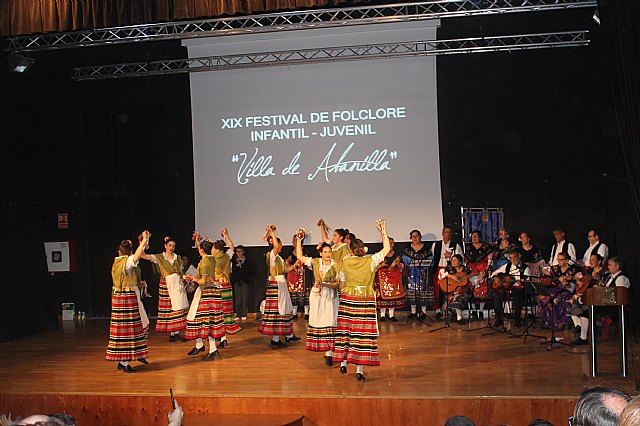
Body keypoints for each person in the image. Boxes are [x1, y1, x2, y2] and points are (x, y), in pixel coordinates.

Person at [333, 219, 390, 381]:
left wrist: (345, 290)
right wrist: (383, 231)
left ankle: (343, 362)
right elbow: (386, 248)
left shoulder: (346, 261)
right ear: (363, 249)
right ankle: (359, 370)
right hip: (364, 300)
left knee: (346, 331)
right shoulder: (370, 261)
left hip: (348, 297)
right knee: (361, 334)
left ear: (351, 250)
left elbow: (341, 281)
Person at [106, 231, 150, 373]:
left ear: (119, 251)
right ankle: (124, 362)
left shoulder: (118, 262)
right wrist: (144, 241)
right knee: (127, 331)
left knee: (131, 329)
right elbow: (136, 257)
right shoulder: (126, 262)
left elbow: (136, 258)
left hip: (123, 297)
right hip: (126, 299)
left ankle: (133, 356)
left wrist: (143, 243)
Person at [295, 235, 339, 366]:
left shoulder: (336, 265)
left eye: (330, 251)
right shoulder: (315, 262)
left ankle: (329, 353)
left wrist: (325, 284)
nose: (328, 254)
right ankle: (326, 350)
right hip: (317, 296)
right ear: (320, 253)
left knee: (330, 321)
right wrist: (298, 240)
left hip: (330, 295)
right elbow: (299, 256)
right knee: (319, 321)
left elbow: (337, 284)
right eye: (325, 252)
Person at [183, 238, 225, 360]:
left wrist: (192, 278)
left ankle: (213, 349)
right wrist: (198, 240)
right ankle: (200, 344)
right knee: (199, 319)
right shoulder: (210, 258)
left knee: (206, 322)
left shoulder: (206, 262)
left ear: (201, 250)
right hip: (207, 293)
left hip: (207, 293)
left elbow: (203, 281)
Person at [141, 236, 189, 342]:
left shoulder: (178, 258)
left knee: (177, 308)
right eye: (170, 245)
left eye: (173, 246)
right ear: (165, 246)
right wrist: (143, 243)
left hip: (177, 284)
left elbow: (181, 273)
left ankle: (175, 333)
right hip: (166, 284)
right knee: (169, 309)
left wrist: (186, 278)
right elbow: (142, 255)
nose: (172, 248)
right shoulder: (160, 257)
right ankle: (173, 334)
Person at [258, 225, 299, 346]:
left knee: (284, 309)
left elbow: (285, 270)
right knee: (278, 311)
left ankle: (288, 335)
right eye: (279, 243)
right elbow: (275, 246)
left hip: (281, 285)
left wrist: (295, 264)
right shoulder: (272, 255)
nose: (280, 246)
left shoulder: (279, 258)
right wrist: (273, 233)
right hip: (276, 286)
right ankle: (276, 339)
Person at [568, 253, 607, 346]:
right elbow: (583, 285)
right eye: (590, 259)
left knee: (584, 308)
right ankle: (579, 327)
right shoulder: (589, 271)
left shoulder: (603, 272)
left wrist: (599, 281)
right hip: (587, 297)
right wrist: (577, 280)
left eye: (593, 259)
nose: (590, 261)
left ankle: (582, 335)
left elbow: (604, 286)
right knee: (571, 303)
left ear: (599, 261)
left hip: (599, 298)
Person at [489, 251, 530, 328]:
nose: (513, 260)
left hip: (518, 289)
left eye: (514, 257)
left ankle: (517, 320)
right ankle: (499, 319)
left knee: (518, 296)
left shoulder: (525, 268)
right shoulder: (507, 266)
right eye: (511, 258)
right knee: (497, 296)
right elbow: (494, 273)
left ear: (519, 256)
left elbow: (525, 281)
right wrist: (495, 277)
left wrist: (515, 281)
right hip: (506, 289)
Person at [540, 252, 579, 331]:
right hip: (555, 288)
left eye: (561, 260)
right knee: (543, 295)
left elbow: (573, 281)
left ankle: (559, 323)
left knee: (555, 299)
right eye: (558, 259)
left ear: (567, 260)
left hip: (567, 290)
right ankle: (548, 321)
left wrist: (569, 280)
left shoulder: (573, 269)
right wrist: (545, 272)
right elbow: (546, 272)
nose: (559, 261)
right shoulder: (555, 268)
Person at [212, 231, 240, 342]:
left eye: (213, 248)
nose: (211, 250)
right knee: (226, 312)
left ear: (216, 249)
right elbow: (232, 247)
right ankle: (223, 337)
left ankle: (221, 336)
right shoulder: (226, 256)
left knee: (218, 313)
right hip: (227, 285)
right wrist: (227, 235)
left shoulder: (213, 259)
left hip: (218, 286)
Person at [402, 229, 435, 320]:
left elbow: (431, 260)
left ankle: (423, 312)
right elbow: (404, 260)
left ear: (420, 237)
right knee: (412, 292)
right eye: (413, 236)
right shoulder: (407, 249)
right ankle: (413, 312)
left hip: (423, 274)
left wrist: (424, 264)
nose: (415, 238)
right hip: (411, 275)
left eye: (417, 236)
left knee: (423, 291)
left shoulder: (426, 249)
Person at [431, 226, 463, 318]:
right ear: (442, 233)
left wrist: (451, 255)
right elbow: (432, 258)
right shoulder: (435, 245)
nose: (447, 234)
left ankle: (450, 310)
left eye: (449, 232)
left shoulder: (455, 245)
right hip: (438, 269)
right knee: (437, 290)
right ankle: (438, 310)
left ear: (451, 234)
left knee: (450, 289)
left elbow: (461, 258)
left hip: (451, 270)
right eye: (445, 232)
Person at [464, 230, 493, 319]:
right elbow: (466, 260)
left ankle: (480, 311)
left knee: (482, 290)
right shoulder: (468, 248)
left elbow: (489, 259)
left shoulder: (486, 247)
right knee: (470, 289)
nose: (474, 238)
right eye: (472, 236)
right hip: (471, 271)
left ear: (479, 237)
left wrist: (486, 270)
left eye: (476, 236)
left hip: (482, 270)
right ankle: (473, 311)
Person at [374, 237, 405, 321]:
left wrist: (399, 265)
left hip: (394, 277)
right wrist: (381, 265)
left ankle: (391, 315)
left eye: (392, 243)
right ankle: (382, 315)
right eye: (389, 243)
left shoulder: (397, 255)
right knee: (382, 297)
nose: (391, 245)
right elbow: (374, 267)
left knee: (393, 296)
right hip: (383, 278)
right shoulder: (380, 254)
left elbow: (402, 266)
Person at [438, 254, 471, 324]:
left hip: (463, 289)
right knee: (455, 293)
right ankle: (456, 316)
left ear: (460, 262)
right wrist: (451, 276)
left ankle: (458, 316)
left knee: (458, 293)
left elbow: (472, 278)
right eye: (452, 260)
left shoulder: (466, 270)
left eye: (455, 260)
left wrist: (480, 276)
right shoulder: (449, 268)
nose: (453, 262)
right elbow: (440, 275)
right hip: (451, 288)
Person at [230, 245, 254, 321]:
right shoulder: (233, 261)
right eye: (237, 251)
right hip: (236, 281)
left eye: (240, 251)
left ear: (243, 252)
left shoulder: (247, 261)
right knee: (237, 299)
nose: (239, 253)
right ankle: (238, 313)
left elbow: (251, 271)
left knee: (244, 298)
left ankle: (244, 314)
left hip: (245, 281)